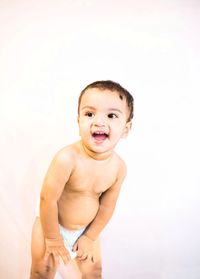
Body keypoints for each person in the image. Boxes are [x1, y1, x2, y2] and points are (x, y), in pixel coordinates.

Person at [30, 80, 134, 279]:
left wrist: (90, 236)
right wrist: (52, 238)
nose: (98, 122)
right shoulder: (67, 158)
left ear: (126, 129)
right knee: (41, 271)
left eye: (111, 115)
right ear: (78, 121)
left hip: (86, 229)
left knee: (94, 272)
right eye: (89, 114)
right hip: (51, 223)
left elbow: (106, 208)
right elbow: (47, 199)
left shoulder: (118, 168)